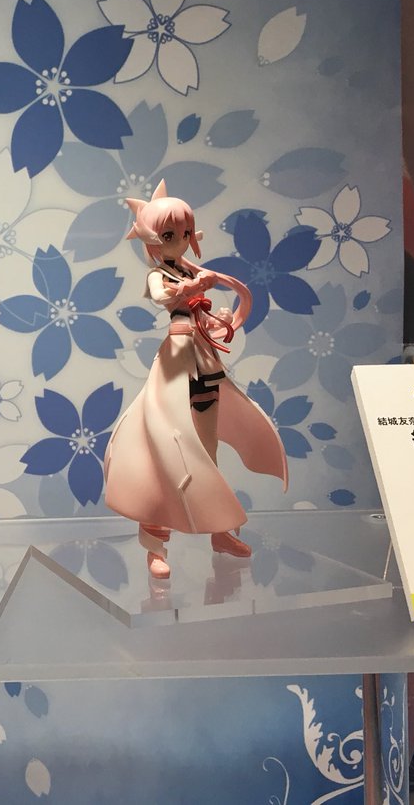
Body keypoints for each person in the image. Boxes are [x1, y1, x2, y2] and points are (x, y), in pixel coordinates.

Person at [103, 181, 287, 579]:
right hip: (177, 362)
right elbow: (160, 297)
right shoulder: (159, 274)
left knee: (207, 454)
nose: (182, 240)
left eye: (185, 232)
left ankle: (220, 532)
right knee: (168, 456)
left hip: (204, 363)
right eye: (171, 234)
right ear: (154, 239)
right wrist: (187, 290)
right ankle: (155, 546)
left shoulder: (192, 269)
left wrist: (219, 314)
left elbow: (216, 300)